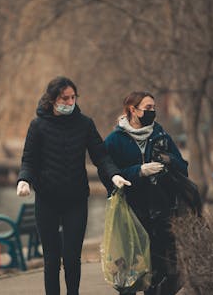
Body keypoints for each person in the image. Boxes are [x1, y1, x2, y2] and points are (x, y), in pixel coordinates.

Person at [16, 76, 126, 295]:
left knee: (72, 257)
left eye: (72, 97)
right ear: (52, 99)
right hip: (47, 199)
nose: (69, 102)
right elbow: (29, 159)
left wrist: (114, 175)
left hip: (75, 200)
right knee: (51, 259)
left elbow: (101, 157)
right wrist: (24, 180)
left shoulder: (84, 124)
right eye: (64, 98)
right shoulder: (38, 125)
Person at [100, 91, 188, 295]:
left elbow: (183, 167)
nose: (152, 112)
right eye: (148, 108)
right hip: (129, 211)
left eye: (153, 108)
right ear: (133, 110)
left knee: (161, 267)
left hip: (160, 209)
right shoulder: (114, 140)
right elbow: (107, 175)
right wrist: (138, 171)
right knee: (129, 267)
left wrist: (169, 160)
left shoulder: (161, 136)